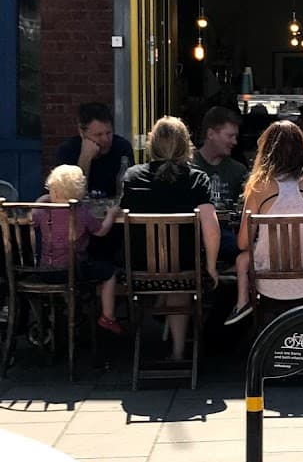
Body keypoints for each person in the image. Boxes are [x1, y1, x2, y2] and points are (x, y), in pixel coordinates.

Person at [120, 116, 220, 362]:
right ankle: (177, 351)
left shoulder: (132, 177)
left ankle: (150, 330)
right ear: (186, 146)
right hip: (184, 269)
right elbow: (211, 227)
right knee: (178, 276)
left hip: (140, 271)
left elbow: (121, 219)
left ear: (151, 145)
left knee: (167, 271)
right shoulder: (197, 179)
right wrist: (211, 267)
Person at [225, 120, 303, 326]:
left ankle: (243, 307)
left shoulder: (258, 186)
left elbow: (243, 243)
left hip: (268, 282)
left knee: (244, 257)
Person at [35, 164, 123, 335]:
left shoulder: (43, 211)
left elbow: (32, 217)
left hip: (45, 269)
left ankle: (69, 313)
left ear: (52, 190)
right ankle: (108, 316)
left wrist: (40, 200)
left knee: (67, 279)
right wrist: (111, 215)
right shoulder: (81, 212)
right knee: (110, 273)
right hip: (75, 269)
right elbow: (101, 231)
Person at [191, 106, 247, 264]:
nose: (234, 142)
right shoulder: (189, 167)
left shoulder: (239, 170)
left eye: (236, 136)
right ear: (211, 134)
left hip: (229, 236)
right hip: (196, 236)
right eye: (230, 136)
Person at [56, 103, 134, 198]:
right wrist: (85, 159)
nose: (105, 139)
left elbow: (127, 190)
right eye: (98, 135)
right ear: (82, 132)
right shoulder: (68, 150)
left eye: (108, 133)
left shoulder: (122, 147)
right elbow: (70, 196)